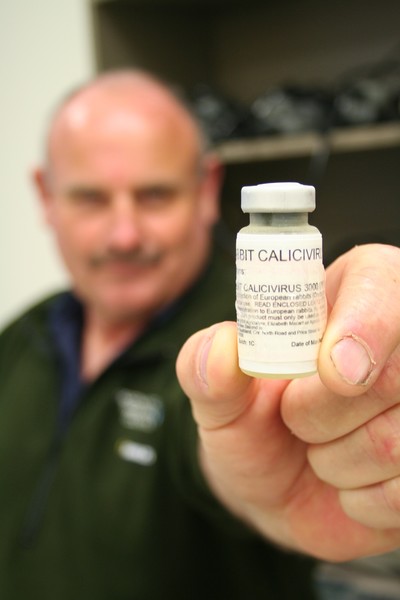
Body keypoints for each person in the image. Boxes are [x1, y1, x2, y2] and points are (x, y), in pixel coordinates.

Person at [1, 69, 400, 599]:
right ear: (46, 197)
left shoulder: (253, 342)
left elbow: (222, 444)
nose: (124, 235)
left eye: (155, 196)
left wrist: (257, 480)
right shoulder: (18, 338)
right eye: (91, 199)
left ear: (208, 189)